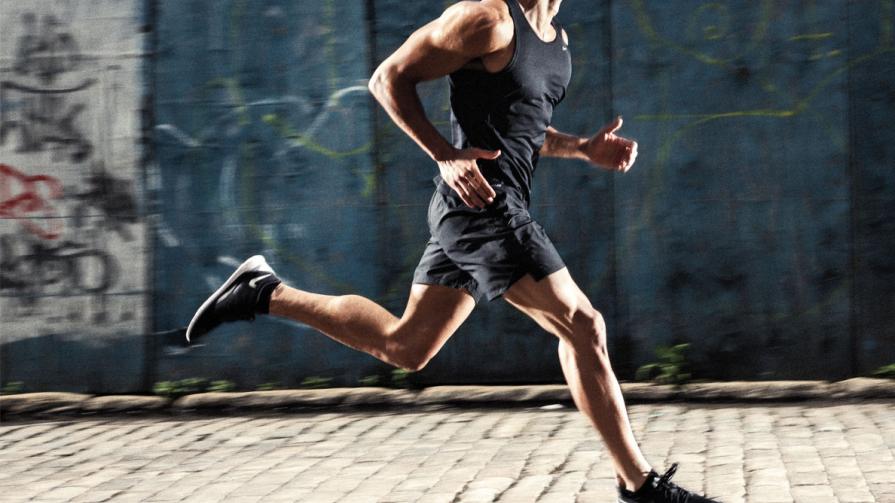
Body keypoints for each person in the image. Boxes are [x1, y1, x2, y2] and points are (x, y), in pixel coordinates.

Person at [186, 1, 721, 501]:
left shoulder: (556, 42)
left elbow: (525, 130)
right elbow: (387, 79)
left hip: (482, 207)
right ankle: (641, 487)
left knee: (406, 346)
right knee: (583, 325)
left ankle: (264, 293)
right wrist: (445, 155)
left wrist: (580, 148)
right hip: (479, 207)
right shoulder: (486, 19)